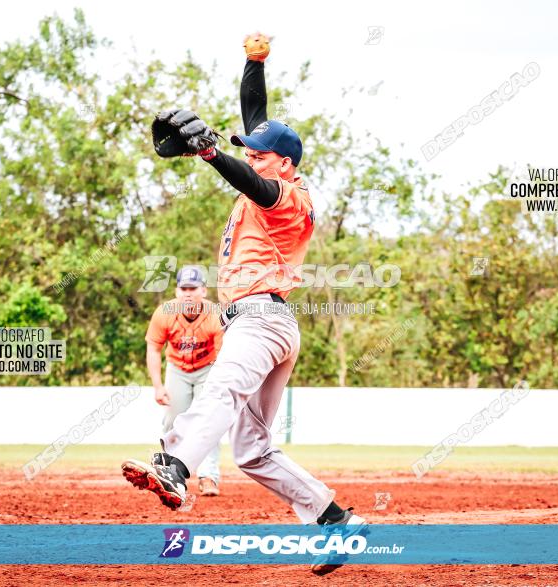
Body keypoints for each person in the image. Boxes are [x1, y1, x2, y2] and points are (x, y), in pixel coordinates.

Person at [122, 33, 366, 575]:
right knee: (253, 448)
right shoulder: (271, 168)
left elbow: (253, 182)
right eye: (246, 150)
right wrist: (254, 63)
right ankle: (335, 522)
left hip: (260, 319)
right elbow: (254, 112)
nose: (249, 157)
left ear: (284, 162)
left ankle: (174, 466)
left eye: (258, 154)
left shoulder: (286, 196)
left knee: (222, 388)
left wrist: (211, 153)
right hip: (265, 322)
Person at [145, 266, 224, 496]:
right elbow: (153, 348)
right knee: (173, 421)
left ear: (204, 291)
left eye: (193, 288)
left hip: (208, 369)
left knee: (210, 421)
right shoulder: (164, 313)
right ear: (177, 291)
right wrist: (158, 386)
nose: (188, 293)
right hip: (177, 369)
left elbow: (223, 357)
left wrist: (219, 388)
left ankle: (208, 476)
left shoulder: (215, 315)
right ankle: (169, 473)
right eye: (183, 288)